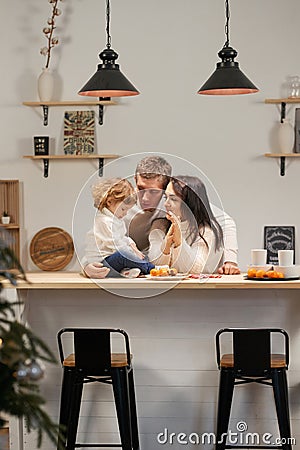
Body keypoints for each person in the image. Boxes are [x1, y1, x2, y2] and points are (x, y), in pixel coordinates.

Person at [85, 156, 240, 278]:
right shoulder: (123, 204)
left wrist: (230, 261)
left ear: (165, 187)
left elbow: (226, 222)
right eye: (141, 188)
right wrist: (86, 266)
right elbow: (96, 238)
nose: (144, 198)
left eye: (153, 192)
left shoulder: (171, 203)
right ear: (135, 181)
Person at [148, 176, 224, 273]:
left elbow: (195, 269)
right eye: (165, 197)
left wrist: (179, 241)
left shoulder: (206, 231)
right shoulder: (159, 226)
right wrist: (166, 245)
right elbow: (154, 265)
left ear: (190, 204)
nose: (166, 204)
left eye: (174, 199)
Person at [82, 178, 154, 278]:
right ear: (109, 202)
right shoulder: (104, 221)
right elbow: (116, 246)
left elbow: (123, 238)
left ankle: (129, 272)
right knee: (123, 255)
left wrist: (134, 248)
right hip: (101, 263)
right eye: (123, 209)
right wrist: (132, 253)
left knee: (138, 255)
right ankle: (152, 269)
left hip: (111, 259)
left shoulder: (116, 220)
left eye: (127, 210)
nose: (125, 214)